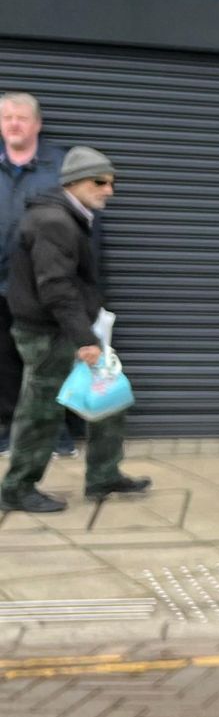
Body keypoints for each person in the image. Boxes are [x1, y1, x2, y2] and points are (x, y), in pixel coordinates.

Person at [0, 147, 150, 514]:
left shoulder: (70, 215)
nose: (108, 190)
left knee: (110, 397)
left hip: (72, 326)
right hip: (50, 333)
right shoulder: (54, 221)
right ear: (75, 182)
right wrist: (85, 340)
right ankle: (17, 488)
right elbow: (55, 287)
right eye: (100, 181)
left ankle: (103, 474)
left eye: (112, 182)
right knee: (41, 412)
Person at [0, 92, 65, 456]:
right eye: (7, 117)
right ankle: (13, 430)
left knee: (48, 360)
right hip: (0, 283)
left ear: (37, 124)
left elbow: (84, 220)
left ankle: (56, 434)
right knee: (4, 360)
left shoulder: (59, 165)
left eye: (22, 117)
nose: (14, 124)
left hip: (43, 283)